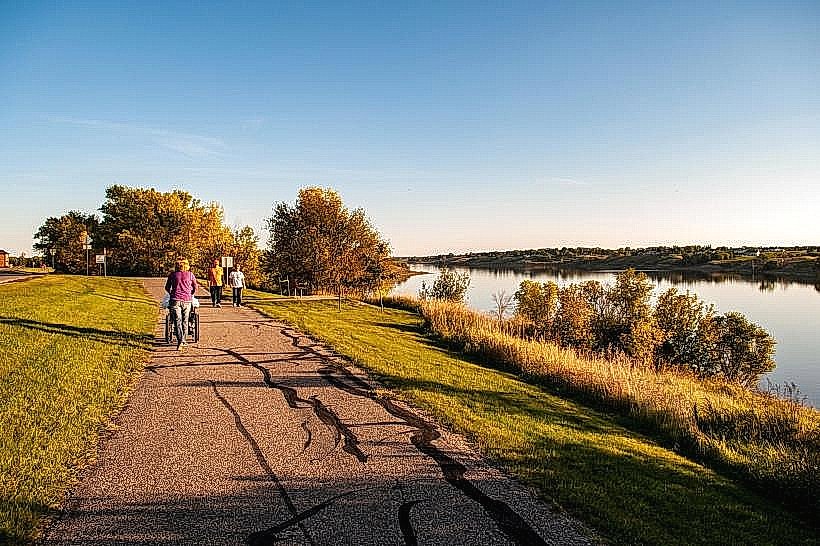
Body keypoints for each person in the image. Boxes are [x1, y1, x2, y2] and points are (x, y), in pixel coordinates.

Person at [165, 257, 198, 350]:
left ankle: (180, 341)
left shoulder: (172, 275)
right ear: (186, 266)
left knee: (177, 320)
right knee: (185, 320)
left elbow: (167, 287)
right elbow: (195, 287)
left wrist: (171, 293)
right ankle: (183, 340)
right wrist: (190, 293)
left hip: (175, 299)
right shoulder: (191, 275)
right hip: (187, 300)